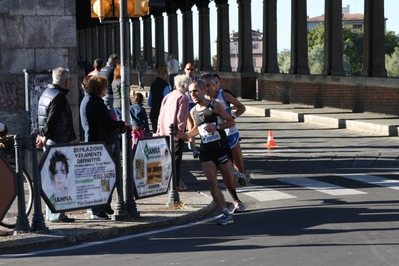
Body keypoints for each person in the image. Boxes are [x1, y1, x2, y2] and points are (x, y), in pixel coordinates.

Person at [183, 80, 246, 225]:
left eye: (195, 91)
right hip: (206, 151)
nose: (193, 94)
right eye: (190, 92)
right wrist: (187, 136)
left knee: (230, 184)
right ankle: (225, 212)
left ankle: (235, 173)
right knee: (212, 182)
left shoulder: (214, 106)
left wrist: (216, 126)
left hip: (220, 148)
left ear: (202, 91)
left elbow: (231, 122)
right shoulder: (193, 112)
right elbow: (196, 129)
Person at [201, 73, 250, 213]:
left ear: (215, 84)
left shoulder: (224, 95)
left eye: (209, 85)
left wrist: (231, 117)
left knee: (239, 171)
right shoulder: (203, 101)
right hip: (217, 139)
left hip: (231, 134)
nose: (206, 88)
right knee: (225, 172)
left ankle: (239, 174)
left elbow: (241, 107)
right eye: (203, 86)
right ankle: (236, 200)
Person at [84, 75, 131, 219]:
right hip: (100, 144)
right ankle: (98, 209)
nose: (106, 90)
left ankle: (102, 207)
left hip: (97, 142)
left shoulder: (88, 100)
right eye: (105, 87)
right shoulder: (96, 104)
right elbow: (106, 123)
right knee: (103, 177)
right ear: (100, 89)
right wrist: (122, 124)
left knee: (103, 177)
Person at [36, 67, 76, 223]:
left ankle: (53, 213)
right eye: (70, 80)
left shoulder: (46, 93)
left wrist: (41, 135)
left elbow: (40, 116)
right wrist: (45, 136)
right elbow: (52, 119)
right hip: (58, 142)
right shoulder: (59, 96)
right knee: (58, 179)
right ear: (66, 81)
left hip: (51, 141)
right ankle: (57, 214)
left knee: (53, 179)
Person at [156, 74, 191, 191]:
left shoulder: (169, 96)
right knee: (175, 159)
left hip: (164, 130)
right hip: (175, 132)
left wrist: (159, 129)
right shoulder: (184, 98)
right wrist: (180, 133)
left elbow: (161, 113)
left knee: (165, 158)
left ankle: (165, 182)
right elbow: (181, 118)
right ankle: (174, 184)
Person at [184, 62, 199, 158]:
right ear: (184, 70)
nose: (190, 71)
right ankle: (194, 149)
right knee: (190, 126)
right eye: (188, 69)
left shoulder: (197, 80)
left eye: (192, 69)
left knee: (196, 126)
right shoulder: (182, 80)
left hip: (196, 105)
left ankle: (190, 140)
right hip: (186, 105)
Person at [148, 65, 170, 133]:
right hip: (162, 114)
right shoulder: (165, 85)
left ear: (157, 73)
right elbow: (167, 102)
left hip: (153, 113)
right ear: (166, 73)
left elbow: (149, 103)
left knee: (155, 134)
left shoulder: (153, 84)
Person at [100, 54, 119, 119]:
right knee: (113, 115)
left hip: (104, 94)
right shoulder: (114, 69)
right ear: (115, 62)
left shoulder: (102, 70)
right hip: (111, 95)